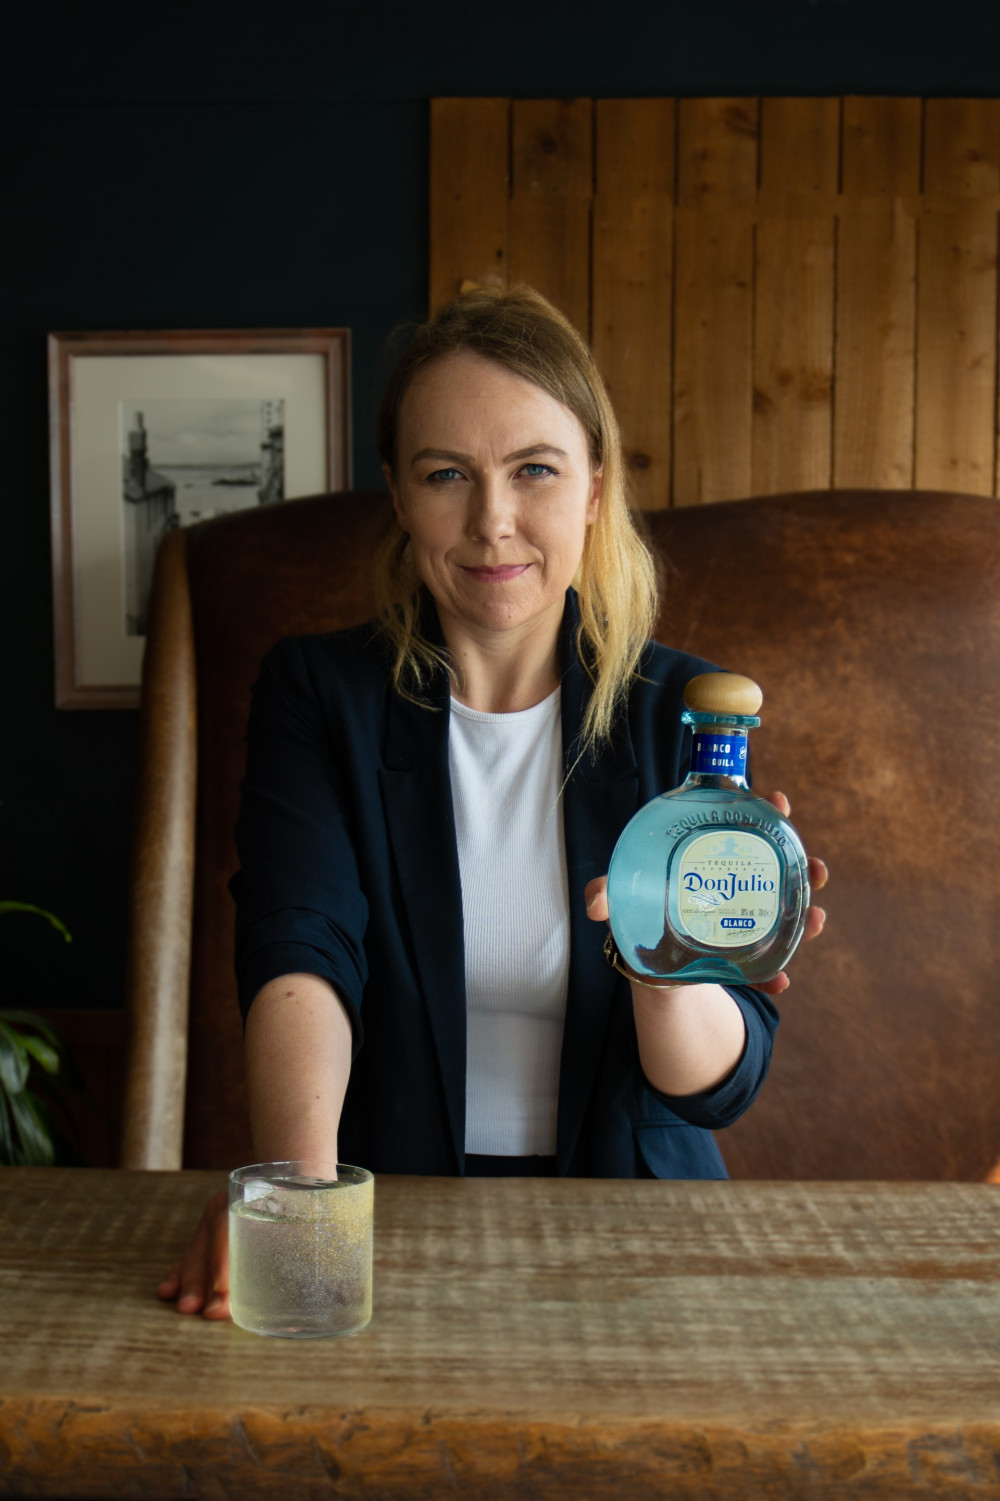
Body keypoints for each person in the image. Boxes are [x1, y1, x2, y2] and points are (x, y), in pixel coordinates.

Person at [158, 284, 827, 1319]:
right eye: (446, 475)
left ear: (594, 488)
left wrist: (668, 959)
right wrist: (297, 1196)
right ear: (397, 491)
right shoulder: (316, 694)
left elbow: (711, 1088)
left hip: (642, 1244)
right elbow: (301, 948)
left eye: (535, 471)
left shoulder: (690, 719)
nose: (492, 521)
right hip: (394, 1218)